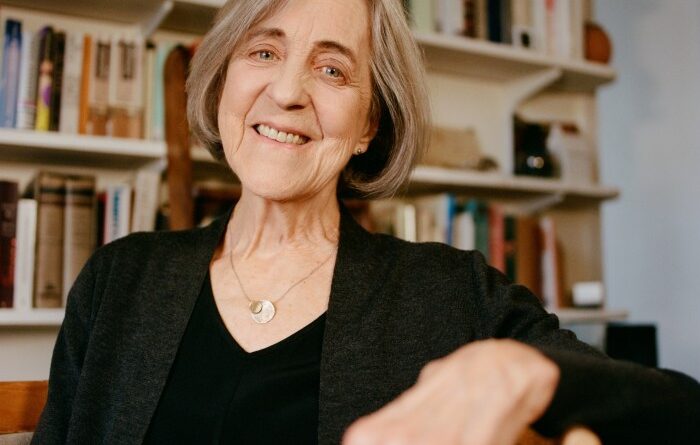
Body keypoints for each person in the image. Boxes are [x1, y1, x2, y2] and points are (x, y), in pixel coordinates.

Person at [33, 0, 700, 444]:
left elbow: (680, 412)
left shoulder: (450, 291)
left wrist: (535, 373)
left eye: (331, 68)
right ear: (223, 81)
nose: (289, 91)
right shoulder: (119, 278)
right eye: (263, 52)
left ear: (367, 126)